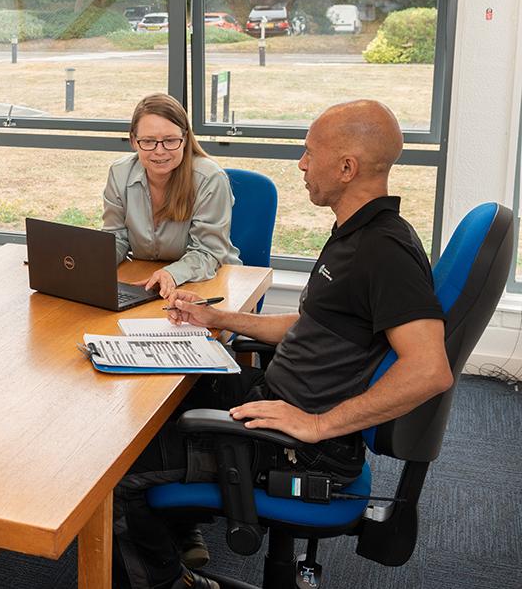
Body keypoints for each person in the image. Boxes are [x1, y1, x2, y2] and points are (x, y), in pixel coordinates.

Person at [112, 100, 453, 589]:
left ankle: (169, 582)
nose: (301, 163)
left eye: (310, 152)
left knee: (116, 475)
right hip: (273, 397)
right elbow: (312, 325)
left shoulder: (385, 251)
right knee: (151, 407)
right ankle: (174, 534)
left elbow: (429, 370)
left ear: (347, 167)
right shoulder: (354, 233)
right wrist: (219, 317)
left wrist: (318, 425)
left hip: (300, 448)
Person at [103, 93, 241, 298]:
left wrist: (171, 274)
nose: (160, 151)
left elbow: (209, 252)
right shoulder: (119, 173)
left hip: (210, 282)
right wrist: (93, 261)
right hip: (149, 281)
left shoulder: (210, 178)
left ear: (185, 139)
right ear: (133, 141)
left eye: (170, 141)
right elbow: (117, 238)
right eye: (148, 141)